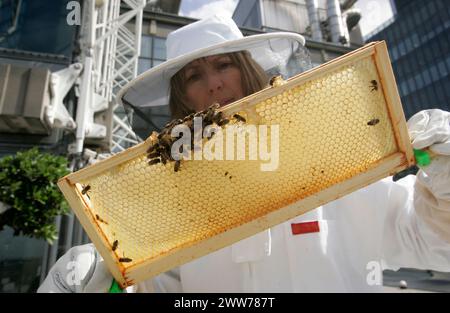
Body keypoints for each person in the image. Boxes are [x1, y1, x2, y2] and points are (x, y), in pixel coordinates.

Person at [38, 14, 450, 293]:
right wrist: (109, 279)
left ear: (249, 71)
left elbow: (432, 245)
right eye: (194, 76)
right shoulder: (172, 199)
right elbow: (166, 286)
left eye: (224, 66)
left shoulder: (333, 159)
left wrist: (446, 185)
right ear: (181, 97)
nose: (213, 85)